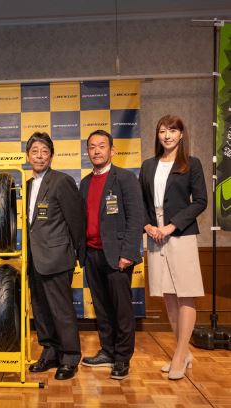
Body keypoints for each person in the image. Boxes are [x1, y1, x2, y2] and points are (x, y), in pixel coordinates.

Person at [139, 115, 207, 380]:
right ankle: (183, 352)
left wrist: (171, 226)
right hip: (155, 236)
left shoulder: (192, 163)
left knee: (185, 294)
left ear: (181, 134)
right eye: (162, 131)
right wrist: (148, 225)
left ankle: (180, 354)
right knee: (168, 295)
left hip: (180, 234)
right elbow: (141, 201)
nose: (167, 135)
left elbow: (200, 201)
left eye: (172, 130)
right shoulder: (148, 165)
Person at [79, 129, 144, 380]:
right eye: (92, 147)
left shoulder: (125, 178)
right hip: (92, 254)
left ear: (112, 150)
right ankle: (107, 350)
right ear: (88, 152)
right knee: (102, 308)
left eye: (102, 146)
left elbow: (136, 218)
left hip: (118, 256)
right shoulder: (85, 182)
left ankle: (122, 358)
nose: (96, 151)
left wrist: (128, 253)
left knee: (122, 310)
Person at [25, 132, 85, 380]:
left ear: (51, 156)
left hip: (57, 258)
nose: (39, 156)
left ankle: (70, 357)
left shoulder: (62, 181)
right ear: (27, 156)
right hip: (34, 259)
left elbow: (76, 221)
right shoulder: (28, 185)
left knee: (61, 311)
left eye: (44, 152)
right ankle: (50, 351)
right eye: (35, 151)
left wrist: (78, 254)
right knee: (41, 310)